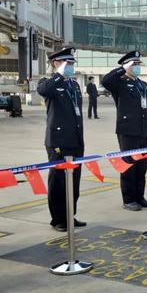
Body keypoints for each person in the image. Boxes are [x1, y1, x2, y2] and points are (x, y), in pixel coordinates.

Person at [37, 47, 87, 232]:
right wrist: (58, 73)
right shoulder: (49, 82)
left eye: (72, 63)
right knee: (58, 181)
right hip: (58, 140)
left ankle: (70, 215)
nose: (71, 67)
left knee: (73, 181)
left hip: (75, 139)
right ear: (55, 63)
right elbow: (43, 90)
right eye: (68, 63)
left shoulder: (73, 85)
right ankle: (58, 219)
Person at [101, 50, 147, 211]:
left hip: (143, 130)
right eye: (134, 64)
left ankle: (139, 196)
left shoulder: (142, 84)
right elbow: (106, 81)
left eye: (138, 64)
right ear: (127, 66)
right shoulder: (120, 83)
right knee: (129, 165)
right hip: (128, 130)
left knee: (141, 166)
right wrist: (122, 69)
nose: (137, 67)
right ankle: (129, 199)